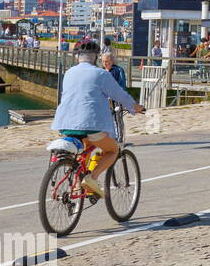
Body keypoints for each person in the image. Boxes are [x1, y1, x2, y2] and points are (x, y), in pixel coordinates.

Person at [50, 40, 144, 198]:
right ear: (95, 58)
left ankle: (78, 187)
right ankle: (91, 178)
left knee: (83, 152)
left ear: (77, 57)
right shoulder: (101, 74)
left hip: (65, 124)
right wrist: (136, 107)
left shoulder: (69, 73)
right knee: (113, 150)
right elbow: (120, 95)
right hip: (90, 125)